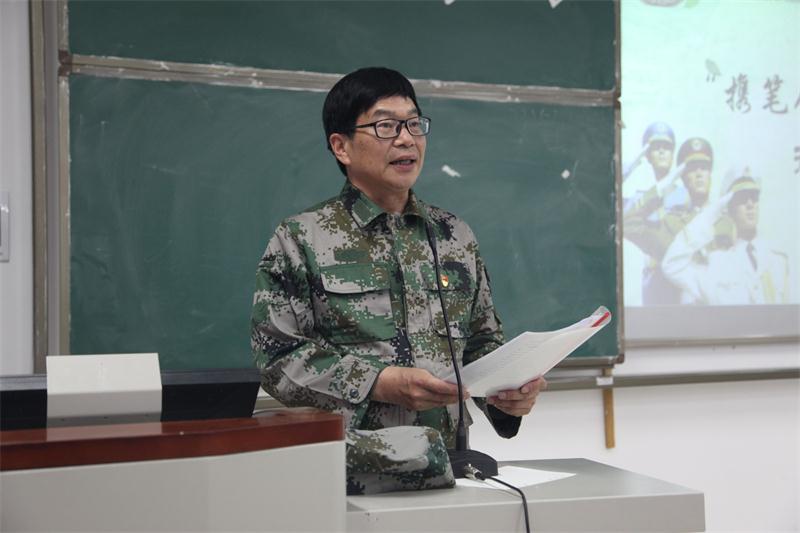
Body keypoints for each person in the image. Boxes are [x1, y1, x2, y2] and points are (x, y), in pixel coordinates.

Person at [250, 67, 545, 494]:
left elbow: (481, 343)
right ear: (341, 146)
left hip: (447, 470)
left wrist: (508, 394)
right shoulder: (300, 238)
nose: (406, 139)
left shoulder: (454, 235)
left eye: (413, 124)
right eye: (385, 126)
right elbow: (278, 360)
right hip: (345, 475)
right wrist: (378, 382)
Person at [662, 170, 791, 304]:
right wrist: (710, 215)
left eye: (754, 197)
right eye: (742, 199)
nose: (750, 204)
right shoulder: (716, 265)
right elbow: (672, 265)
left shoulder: (779, 261)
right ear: (728, 209)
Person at [625, 137, 721, 304]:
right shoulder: (672, 226)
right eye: (692, 169)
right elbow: (627, 223)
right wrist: (661, 187)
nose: (699, 174)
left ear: (710, 173)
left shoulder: (727, 221)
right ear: (682, 177)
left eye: (704, 168)